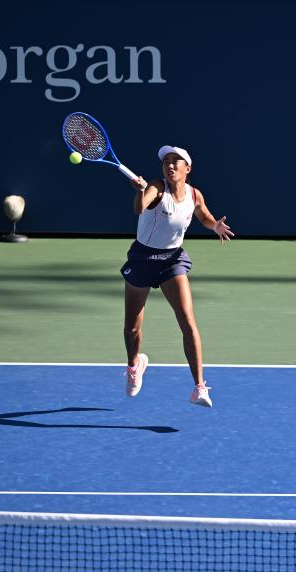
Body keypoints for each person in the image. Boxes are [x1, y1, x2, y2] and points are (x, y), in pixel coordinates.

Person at [120, 145, 233, 407]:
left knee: (187, 320)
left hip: (172, 261)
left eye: (175, 161)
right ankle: (134, 365)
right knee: (132, 327)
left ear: (187, 168)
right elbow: (140, 208)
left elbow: (204, 216)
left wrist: (215, 226)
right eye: (166, 162)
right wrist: (140, 191)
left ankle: (199, 387)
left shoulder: (194, 195)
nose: (169, 165)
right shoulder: (157, 187)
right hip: (143, 259)